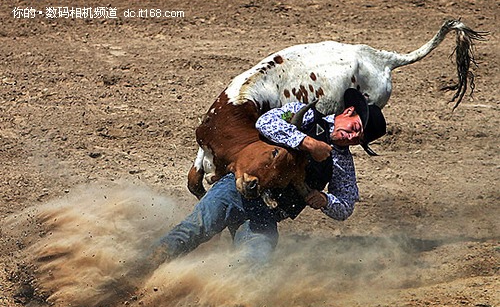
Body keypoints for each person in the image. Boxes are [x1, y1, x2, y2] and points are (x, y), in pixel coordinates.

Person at [149, 88, 387, 267]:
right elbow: (266, 122)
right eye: (356, 128)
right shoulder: (304, 115)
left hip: (267, 212)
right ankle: (140, 269)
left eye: (359, 139)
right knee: (195, 229)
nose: (353, 137)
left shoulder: (342, 163)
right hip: (236, 187)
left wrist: (325, 201)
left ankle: (227, 304)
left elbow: (345, 206)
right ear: (348, 112)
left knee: (256, 258)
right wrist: (308, 142)